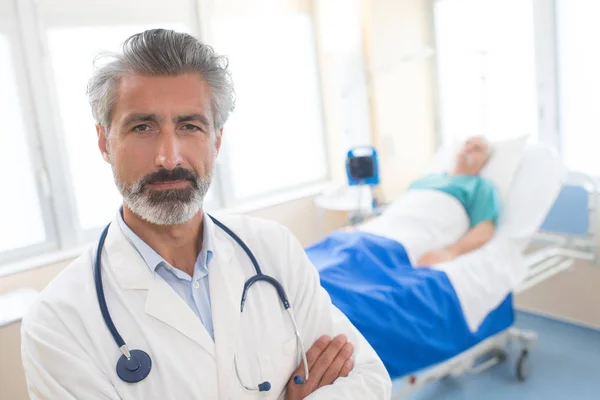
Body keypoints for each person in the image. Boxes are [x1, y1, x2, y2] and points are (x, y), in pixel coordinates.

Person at [20, 29, 391, 399]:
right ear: (104, 142)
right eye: (142, 127)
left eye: (189, 126)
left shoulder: (273, 249)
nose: (169, 157)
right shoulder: (58, 321)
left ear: (216, 139)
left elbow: (370, 381)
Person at [360, 136, 500, 266]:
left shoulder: (480, 186)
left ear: (484, 161)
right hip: (374, 232)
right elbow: (396, 211)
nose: (468, 149)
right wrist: (361, 227)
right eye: (467, 144)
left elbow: (484, 229)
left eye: (477, 149)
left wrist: (450, 252)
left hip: (407, 240)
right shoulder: (426, 179)